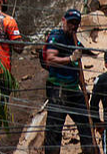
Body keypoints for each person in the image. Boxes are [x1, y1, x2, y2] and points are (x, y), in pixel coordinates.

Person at [42, 8, 98, 154]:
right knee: (54, 130)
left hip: (73, 89)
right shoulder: (56, 37)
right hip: (58, 89)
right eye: (71, 23)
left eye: (76, 24)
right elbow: (50, 58)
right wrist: (70, 58)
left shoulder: (75, 42)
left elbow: (77, 67)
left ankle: (90, 151)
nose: (73, 26)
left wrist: (83, 86)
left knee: (86, 125)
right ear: (63, 21)